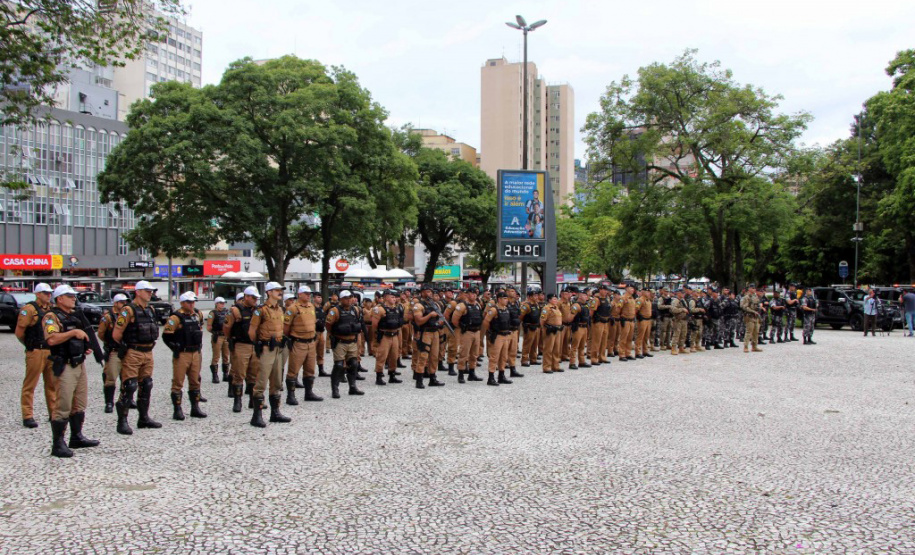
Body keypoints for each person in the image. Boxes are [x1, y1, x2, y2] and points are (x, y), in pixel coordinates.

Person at [43, 285, 99, 457]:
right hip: (64, 365)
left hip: (78, 363)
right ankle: (58, 443)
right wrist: (74, 332)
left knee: (79, 402)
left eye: (73, 296)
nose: (73, 298)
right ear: (59, 298)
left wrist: (83, 347)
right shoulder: (51, 317)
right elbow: (51, 339)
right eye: (69, 296)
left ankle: (76, 436)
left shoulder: (74, 316)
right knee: (63, 403)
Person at [112, 280, 162, 435]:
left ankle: (143, 418)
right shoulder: (128, 310)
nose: (150, 293)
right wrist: (126, 349)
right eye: (147, 291)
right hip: (133, 352)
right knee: (130, 385)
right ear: (138, 292)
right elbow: (116, 334)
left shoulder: (150, 309)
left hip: (148, 352)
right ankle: (122, 421)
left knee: (146, 384)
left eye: (151, 291)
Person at [248, 282, 290, 427]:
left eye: (280, 290)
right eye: (277, 290)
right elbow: (252, 331)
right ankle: (257, 416)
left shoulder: (280, 309)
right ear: (269, 292)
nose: (280, 292)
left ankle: (275, 413)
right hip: (266, 348)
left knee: (277, 381)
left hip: (278, 348)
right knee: (261, 382)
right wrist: (259, 345)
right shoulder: (261, 310)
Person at [15, 282, 57, 429]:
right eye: (45, 293)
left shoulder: (51, 310)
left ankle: (53, 414)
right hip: (36, 350)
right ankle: (27, 415)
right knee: (30, 384)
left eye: (50, 293)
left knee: (52, 383)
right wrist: (30, 346)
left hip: (50, 350)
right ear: (38, 294)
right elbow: (19, 332)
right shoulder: (29, 309)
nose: (49, 295)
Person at [162, 291, 206, 421]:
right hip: (182, 353)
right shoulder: (175, 318)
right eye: (189, 302)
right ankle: (177, 409)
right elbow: (166, 336)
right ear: (182, 303)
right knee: (178, 382)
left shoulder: (198, 314)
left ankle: (195, 407)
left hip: (195, 352)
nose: (192, 304)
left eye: (193, 302)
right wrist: (174, 347)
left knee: (195, 380)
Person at [283, 285, 324, 404]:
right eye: (306, 293)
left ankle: (309, 392)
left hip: (311, 342)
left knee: (310, 369)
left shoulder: (311, 306)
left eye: (309, 293)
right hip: (298, 342)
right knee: (293, 369)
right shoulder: (293, 308)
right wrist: (290, 339)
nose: (308, 295)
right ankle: (290, 395)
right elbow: (286, 328)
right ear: (300, 294)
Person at [224, 286, 261, 413]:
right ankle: (237, 401)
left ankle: (252, 400)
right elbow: (227, 328)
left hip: (254, 345)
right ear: (246, 297)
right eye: (253, 298)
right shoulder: (235, 310)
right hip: (241, 344)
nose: (255, 300)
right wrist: (232, 339)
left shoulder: (257, 310)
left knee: (253, 374)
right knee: (239, 374)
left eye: (257, 298)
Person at [325, 290, 366, 398]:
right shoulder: (334, 311)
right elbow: (328, 325)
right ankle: (335, 389)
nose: (349, 300)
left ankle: (352, 387)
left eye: (350, 297)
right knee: (338, 365)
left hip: (352, 341)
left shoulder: (356, 309)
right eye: (346, 298)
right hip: (340, 341)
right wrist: (335, 333)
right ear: (341, 299)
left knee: (353, 364)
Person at [97, 293, 129, 413]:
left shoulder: (126, 315)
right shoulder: (108, 317)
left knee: (126, 376)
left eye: (125, 302)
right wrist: (109, 344)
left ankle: (125, 399)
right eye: (122, 302)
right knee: (111, 377)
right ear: (115, 303)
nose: (124, 304)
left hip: (126, 349)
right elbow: (101, 333)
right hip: (114, 350)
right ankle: (109, 402)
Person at [411, 284, 446, 389]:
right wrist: (430, 315)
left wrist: (439, 322)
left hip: (435, 332)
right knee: (423, 357)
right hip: (425, 333)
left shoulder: (436, 305)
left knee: (434, 356)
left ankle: (432, 378)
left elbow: (441, 318)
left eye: (430, 292)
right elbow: (418, 321)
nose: (428, 294)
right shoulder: (418, 306)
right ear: (422, 293)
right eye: (426, 291)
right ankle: (419, 380)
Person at [371, 289, 404, 385]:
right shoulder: (380, 309)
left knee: (394, 356)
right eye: (392, 297)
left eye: (395, 297)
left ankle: (392, 375)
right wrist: (377, 337)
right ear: (385, 297)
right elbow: (374, 325)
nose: (394, 299)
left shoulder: (397, 308)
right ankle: (379, 376)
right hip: (384, 335)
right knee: (381, 356)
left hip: (395, 335)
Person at [481, 291, 514, 386]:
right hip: (497, 336)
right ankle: (491, 377)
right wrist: (491, 331)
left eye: (507, 298)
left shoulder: (506, 309)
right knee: (494, 357)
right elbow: (486, 321)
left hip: (505, 335)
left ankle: (501, 376)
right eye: (504, 298)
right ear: (499, 299)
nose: (506, 300)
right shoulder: (494, 310)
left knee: (504, 357)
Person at [452, 287, 484, 383]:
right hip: (467, 332)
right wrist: (463, 327)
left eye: (475, 294)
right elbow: (454, 320)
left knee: (474, 355)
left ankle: (472, 373)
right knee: (463, 354)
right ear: (467, 294)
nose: (473, 295)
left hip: (476, 332)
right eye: (471, 293)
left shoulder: (477, 305)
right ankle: (461, 374)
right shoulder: (462, 306)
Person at [205, 296, 230, 384]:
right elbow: (208, 327)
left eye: (223, 303)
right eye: (221, 303)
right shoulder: (213, 313)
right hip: (218, 336)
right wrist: (214, 332)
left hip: (226, 336)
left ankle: (225, 374)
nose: (222, 305)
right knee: (216, 356)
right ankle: (215, 375)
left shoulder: (226, 312)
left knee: (226, 356)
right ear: (216, 304)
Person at [540, 293, 564, 374]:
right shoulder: (546, 308)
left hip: (558, 330)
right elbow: (542, 320)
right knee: (548, 349)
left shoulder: (556, 307)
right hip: (550, 330)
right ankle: (547, 366)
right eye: (554, 299)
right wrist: (545, 328)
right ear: (549, 300)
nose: (555, 300)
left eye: (556, 299)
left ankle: (555, 366)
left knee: (557, 349)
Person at [568, 289, 591, 369]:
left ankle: (582, 361)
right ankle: (572, 363)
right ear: (580, 296)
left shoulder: (586, 305)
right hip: (578, 327)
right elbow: (570, 318)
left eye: (586, 295)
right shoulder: (576, 306)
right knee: (575, 346)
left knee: (582, 346)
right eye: (584, 295)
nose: (586, 297)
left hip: (584, 327)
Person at [740, 284, 763, 353]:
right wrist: (752, 311)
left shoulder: (755, 296)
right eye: (752, 288)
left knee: (756, 331)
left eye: (754, 288)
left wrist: (759, 308)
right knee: (749, 332)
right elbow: (743, 306)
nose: (754, 289)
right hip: (749, 316)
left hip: (755, 316)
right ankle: (746, 346)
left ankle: (754, 346)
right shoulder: (746, 297)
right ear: (749, 289)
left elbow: (757, 305)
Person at [313, 293, 329, 377]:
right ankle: (310, 371)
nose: (320, 299)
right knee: (311, 353)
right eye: (318, 297)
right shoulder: (311, 308)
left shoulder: (321, 309)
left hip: (321, 332)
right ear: (314, 298)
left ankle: (321, 370)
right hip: (314, 333)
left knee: (320, 353)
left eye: (321, 297)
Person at [669, 289, 690, 355]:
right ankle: (673, 348)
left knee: (683, 334)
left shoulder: (683, 300)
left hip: (684, 319)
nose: (683, 294)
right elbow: (673, 310)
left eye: (683, 293)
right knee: (676, 334)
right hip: (678, 320)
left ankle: (681, 347)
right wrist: (682, 309)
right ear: (678, 293)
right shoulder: (675, 301)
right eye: (682, 293)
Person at [635, 288, 654, 359]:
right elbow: (636, 309)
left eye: (649, 292)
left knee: (646, 336)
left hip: (648, 320)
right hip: (642, 320)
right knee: (640, 336)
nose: (648, 293)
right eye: (647, 292)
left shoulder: (648, 300)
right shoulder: (640, 300)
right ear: (643, 292)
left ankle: (645, 350)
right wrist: (638, 316)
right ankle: (638, 351)